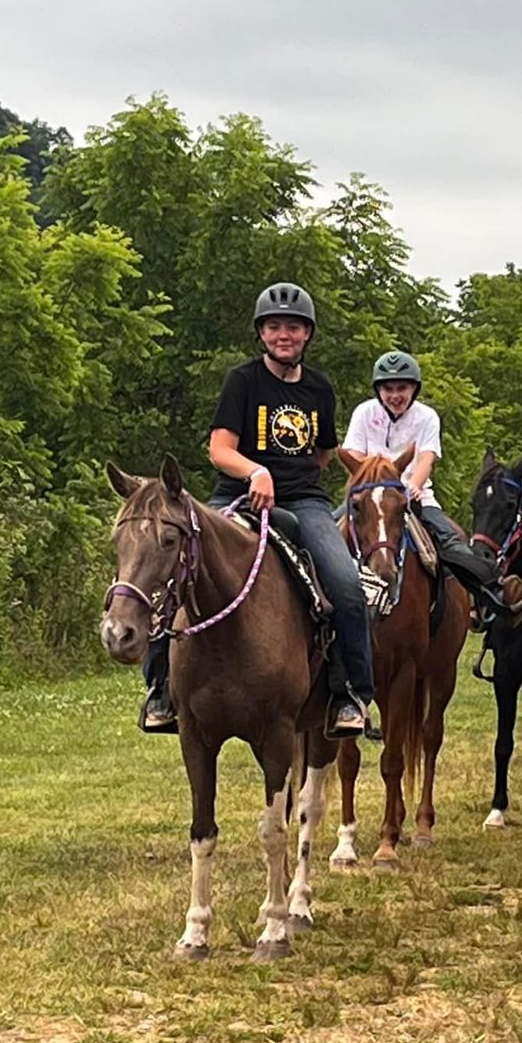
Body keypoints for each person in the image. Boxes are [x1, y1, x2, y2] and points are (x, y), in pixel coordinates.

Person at [140, 282, 374, 738]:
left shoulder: (319, 388)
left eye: (292, 327)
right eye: (273, 327)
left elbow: (323, 453)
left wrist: (290, 480)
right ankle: (162, 691)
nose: (282, 335)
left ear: (307, 333)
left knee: (345, 584)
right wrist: (257, 472)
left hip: (305, 501)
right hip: (237, 494)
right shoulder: (243, 381)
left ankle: (351, 695)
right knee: (173, 564)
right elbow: (219, 449)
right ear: (261, 334)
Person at [341, 350, 512, 614]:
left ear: (414, 389)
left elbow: (425, 458)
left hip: (414, 493)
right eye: (388, 388)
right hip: (369, 494)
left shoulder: (427, 416)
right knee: (329, 533)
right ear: (379, 390)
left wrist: (414, 486)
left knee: (452, 542)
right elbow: (353, 455)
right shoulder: (364, 412)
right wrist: (377, 477)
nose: (395, 395)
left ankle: (487, 598)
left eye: (402, 388)